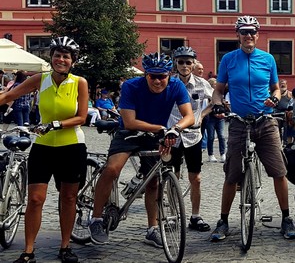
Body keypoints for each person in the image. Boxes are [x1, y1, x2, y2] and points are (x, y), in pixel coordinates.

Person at [88, 52, 195, 247]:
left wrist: (175, 129)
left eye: (161, 76)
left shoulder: (176, 86)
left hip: (156, 135)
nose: (157, 81)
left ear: (169, 75)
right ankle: (96, 219)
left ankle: (152, 229)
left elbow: (189, 116)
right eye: (152, 76)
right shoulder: (131, 85)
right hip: (129, 133)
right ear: (145, 75)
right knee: (112, 169)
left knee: (153, 181)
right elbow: (129, 121)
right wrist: (161, 129)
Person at [210, 15, 295, 241]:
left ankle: (286, 219)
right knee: (231, 174)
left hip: (265, 121)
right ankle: (223, 221)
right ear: (238, 35)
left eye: (252, 32)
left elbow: (276, 89)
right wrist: (219, 104)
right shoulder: (228, 59)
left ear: (257, 35)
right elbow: (218, 90)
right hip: (239, 122)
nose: (248, 35)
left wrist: (274, 99)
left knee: (279, 172)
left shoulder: (268, 59)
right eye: (244, 32)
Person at [0, 36, 88, 263]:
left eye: (66, 56)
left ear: (72, 61)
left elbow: (82, 117)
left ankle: (65, 246)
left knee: (68, 198)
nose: (61, 59)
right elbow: (9, 95)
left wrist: (56, 124)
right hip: (43, 147)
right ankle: (29, 251)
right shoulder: (41, 79)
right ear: (51, 58)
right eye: (57, 55)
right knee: (35, 199)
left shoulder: (80, 82)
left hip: (72, 146)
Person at [166, 46, 213, 231]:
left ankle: (195, 216)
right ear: (175, 64)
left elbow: (213, 100)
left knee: (196, 178)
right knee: (172, 176)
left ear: (194, 64)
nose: (184, 65)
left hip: (193, 135)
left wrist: (202, 115)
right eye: (181, 62)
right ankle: (172, 215)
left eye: (188, 62)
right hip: (173, 135)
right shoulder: (169, 82)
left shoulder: (202, 83)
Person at [204, 65, 226, 163]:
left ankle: (223, 154)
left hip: (220, 118)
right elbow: (208, 105)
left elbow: (223, 104)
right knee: (211, 136)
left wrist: (223, 112)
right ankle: (211, 154)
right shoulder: (209, 93)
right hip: (211, 118)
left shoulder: (220, 93)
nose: (216, 85)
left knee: (221, 136)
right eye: (214, 84)